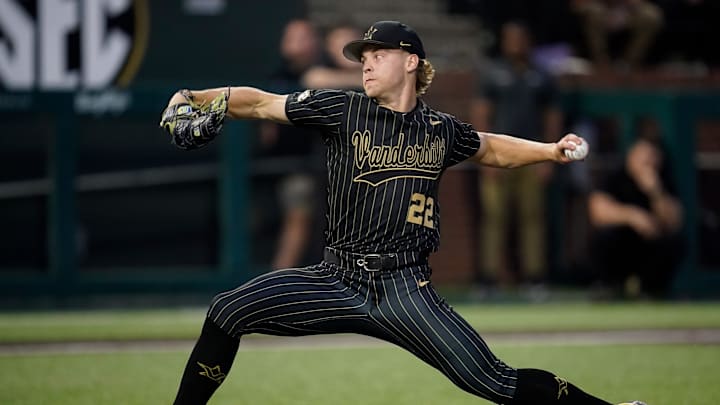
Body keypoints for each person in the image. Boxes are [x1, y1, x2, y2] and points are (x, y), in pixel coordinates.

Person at [163, 20, 646, 405]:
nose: (366, 65)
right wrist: (195, 98)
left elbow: (493, 149)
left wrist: (549, 150)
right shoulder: (342, 109)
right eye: (363, 58)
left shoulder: (440, 129)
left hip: (405, 290)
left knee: (495, 382)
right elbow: (261, 102)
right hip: (337, 278)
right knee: (226, 311)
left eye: (378, 55)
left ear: (411, 61)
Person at [470, 22, 563, 291]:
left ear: (528, 40)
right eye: (510, 38)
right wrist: (481, 155)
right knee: (493, 216)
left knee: (533, 217)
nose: (515, 44)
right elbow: (481, 114)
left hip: (533, 156)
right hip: (496, 155)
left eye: (520, 38)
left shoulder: (542, 75)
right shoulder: (492, 73)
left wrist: (550, 155)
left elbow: (552, 116)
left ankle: (534, 277)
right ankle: (488, 278)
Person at [588, 120, 684, 299]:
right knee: (604, 236)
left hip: (647, 248)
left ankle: (652, 290)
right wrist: (633, 216)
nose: (646, 162)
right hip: (622, 246)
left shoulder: (663, 178)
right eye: (641, 156)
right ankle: (610, 287)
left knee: (672, 240)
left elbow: (674, 221)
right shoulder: (616, 175)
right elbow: (597, 211)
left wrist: (655, 192)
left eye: (651, 158)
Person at [259, 19, 322, 269]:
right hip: (290, 168)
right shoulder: (279, 77)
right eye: (292, 38)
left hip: (331, 169)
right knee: (297, 218)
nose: (298, 45)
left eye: (304, 38)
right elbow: (268, 133)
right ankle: (279, 282)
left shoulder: (326, 68)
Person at [571, 0, 664, 72]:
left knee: (651, 16)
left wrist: (624, 10)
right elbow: (577, 4)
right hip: (601, 9)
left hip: (627, 11)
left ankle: (628, 64)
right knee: (593, 12)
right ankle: (602, 64)